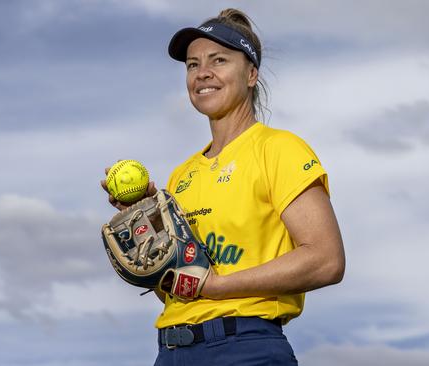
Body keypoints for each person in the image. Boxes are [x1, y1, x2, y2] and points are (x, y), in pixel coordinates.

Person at [103, 8, 345, 366]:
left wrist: (216, 286)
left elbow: (326, 260)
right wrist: (146, 230)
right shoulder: (181, 177)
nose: (203, 73)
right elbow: (176, 289)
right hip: (171, 352)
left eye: (219, 60)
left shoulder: (277, 149)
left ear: (251, 74)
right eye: (192, 64)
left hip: (246, 347)